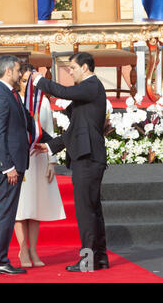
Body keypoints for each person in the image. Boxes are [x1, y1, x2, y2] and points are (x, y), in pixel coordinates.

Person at [32, 52, 109, 272]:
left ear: (85, 67)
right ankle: (99, 258)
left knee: (86, 212)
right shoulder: (86, 92)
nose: (70, 72)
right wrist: (49, 146)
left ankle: (88, 260)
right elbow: (75, 130)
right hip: (87, 156)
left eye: (73, 68)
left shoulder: (91, 85)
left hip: (89, 158)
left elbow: (63, 91)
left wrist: (38, 79)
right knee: (92, 210)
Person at [0, 63, 66, 268]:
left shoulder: (42, 102)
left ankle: (33, 249)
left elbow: (48, 131)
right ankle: (21, 250)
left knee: (35, 206)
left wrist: (52, 161)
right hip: (16, 162)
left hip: (37, 158)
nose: (25, 85)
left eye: (29, 81)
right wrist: (7, 165)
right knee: (19, 208)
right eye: (22, 80)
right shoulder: (10, 98)